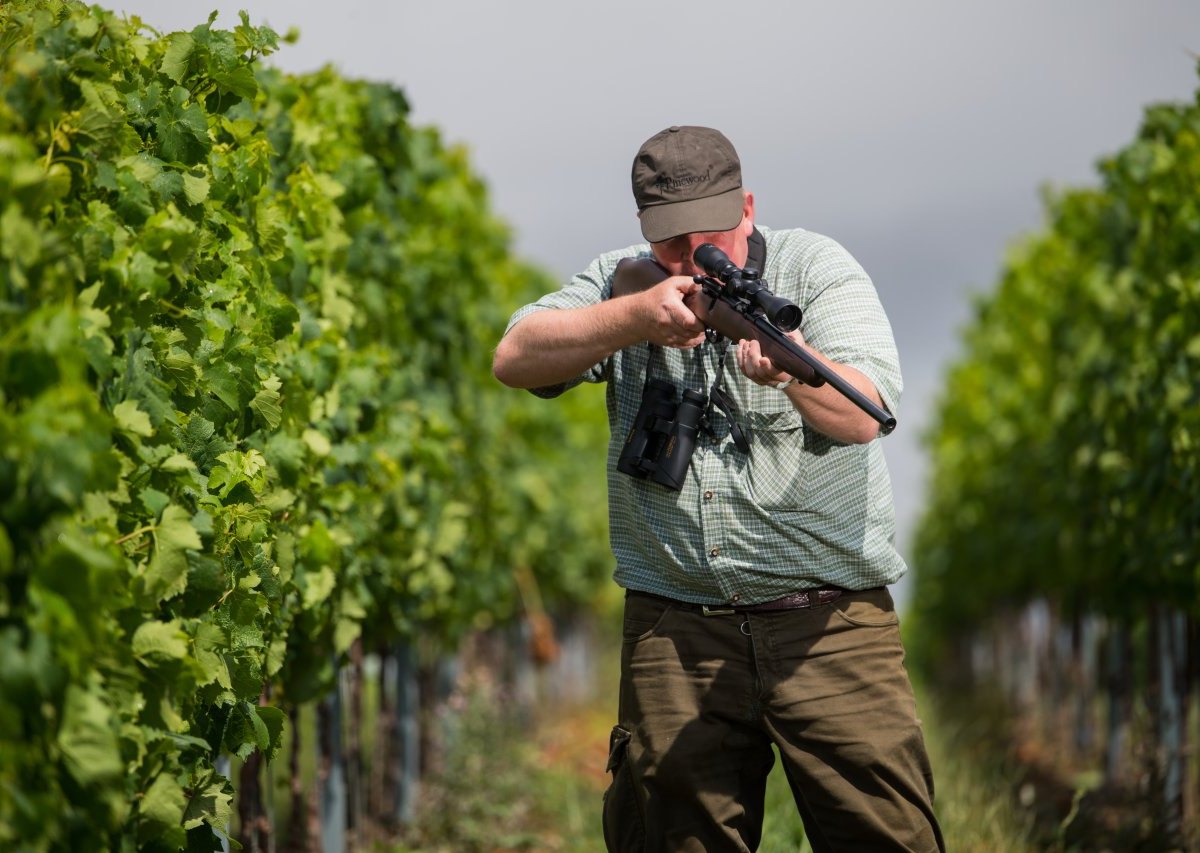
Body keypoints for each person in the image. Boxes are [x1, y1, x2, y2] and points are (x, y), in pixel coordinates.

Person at [493, 125, 943, 852]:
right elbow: (515, 355)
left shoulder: (818, 267)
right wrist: (634, 316)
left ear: (749, 207)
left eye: (709, 239)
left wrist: (793, 373)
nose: (689, 260)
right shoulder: (623, 278)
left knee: (885, 835)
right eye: (670, 245)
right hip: (675, 634)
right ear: (642, 233)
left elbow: (866, 415)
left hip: (827, 626)